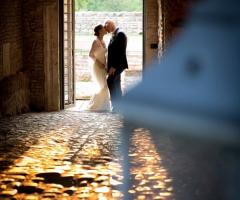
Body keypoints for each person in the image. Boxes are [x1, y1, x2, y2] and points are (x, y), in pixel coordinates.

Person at [86, 24, 111, 111]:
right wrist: (99, 63)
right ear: (100, 31)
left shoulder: (103, 41)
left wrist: (106, 64)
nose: (105, 29)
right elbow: (91, 54)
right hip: (97, 66)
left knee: (104, 84)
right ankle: (97, 105)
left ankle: (103, 104)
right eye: (104, 28)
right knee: (102, 85)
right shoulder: (95, 41)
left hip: (103, 65)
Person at [104, 20, 128, 109]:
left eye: (106, 27)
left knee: (110, 81)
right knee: (116, 83)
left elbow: (120, 52)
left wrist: (114, 67)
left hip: (118, 65)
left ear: (110, 24)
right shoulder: (114, 34)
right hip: (114, 65)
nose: (106, 30)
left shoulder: (120, 34)